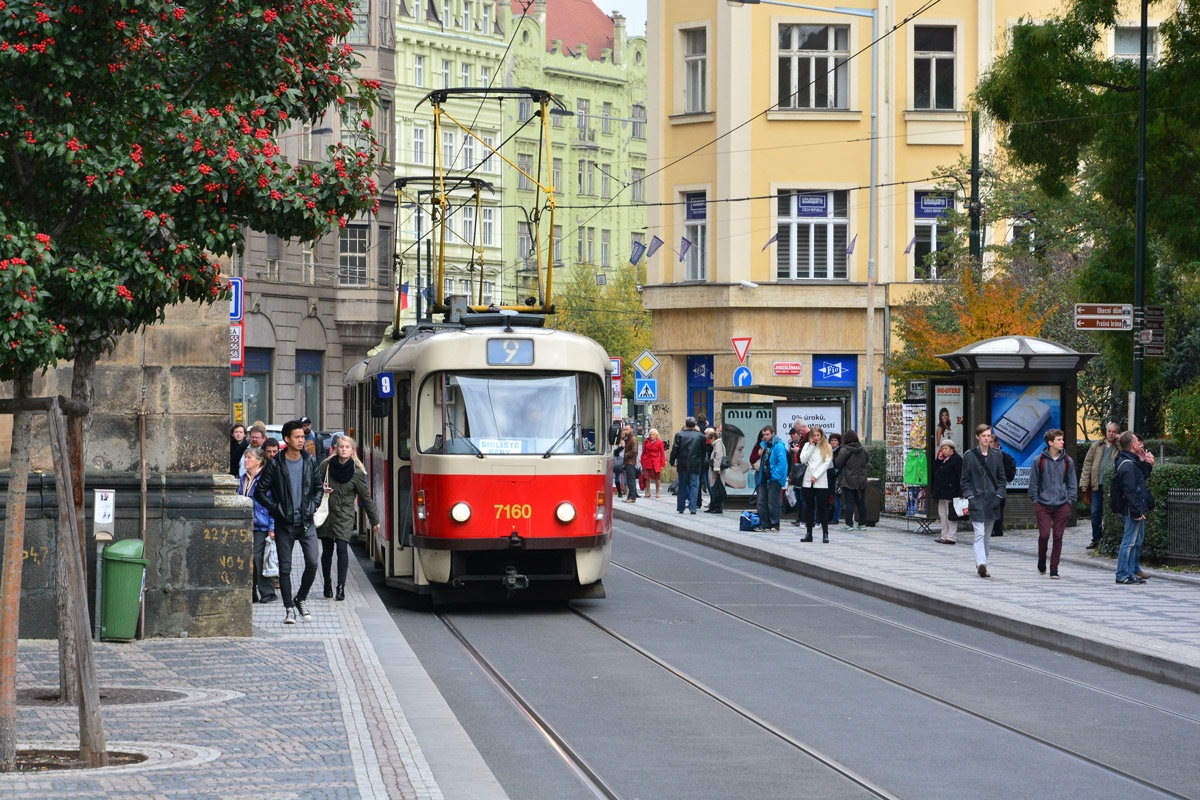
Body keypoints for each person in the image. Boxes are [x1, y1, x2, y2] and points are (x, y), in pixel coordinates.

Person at [255, 420, 323, 624]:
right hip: (285, 524)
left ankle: (300, 598)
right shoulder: (276, 464)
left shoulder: (310, 461)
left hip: (306, 523)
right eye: (298, 437)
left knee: (312, 562)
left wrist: (312, 507)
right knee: (285, 568)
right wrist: (277, 509)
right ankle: (289, 608)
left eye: (303, 437)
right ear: (287, 439)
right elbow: (259, 491)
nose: (302, 440)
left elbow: (318, 488)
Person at [317, 436, 379, 601]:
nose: (344, 449)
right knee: (327, 551)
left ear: (352, 451)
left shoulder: (357, 472)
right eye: (341, 447)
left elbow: (366, 498)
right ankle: (327, 583)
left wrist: (374, 521)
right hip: (327, 514)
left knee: (342, 550)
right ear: (336, 449)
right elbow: (313, 486)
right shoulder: (326, 466)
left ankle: (340, 587)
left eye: (347, 447)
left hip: (345, 515)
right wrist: (320, 489)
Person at [1028, 429, 1077, 579]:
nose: (1062, 442)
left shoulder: (1068, 461)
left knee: (1058, 537)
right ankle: (1042, 558)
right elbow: (1034, 483)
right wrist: (1036, 500)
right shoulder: (1039, 460)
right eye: (1059, 440)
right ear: (1050, 442)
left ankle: (1054, 569)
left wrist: (1070, 500)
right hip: (1043, 504)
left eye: (1062, 439)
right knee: (1044, 535)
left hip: (1062, 504)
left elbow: (1072, 482)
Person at [960, 424, 1006, 578]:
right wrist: (970, 496)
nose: (987, 438)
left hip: (992, 500)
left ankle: (983, 561)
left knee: (987, 536)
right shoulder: (970, 456)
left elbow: (1002, 478)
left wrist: (999, 495)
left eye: (989, 435)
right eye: (984, 435)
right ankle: (981, 563)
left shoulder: (997, 455)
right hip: (977, 500)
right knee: (979, 533)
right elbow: (964, 480)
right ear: (977, 437)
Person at [238, 446, 276, 604]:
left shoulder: (266, 478)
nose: (246, 461)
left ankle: (267, 592)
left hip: (261, 523)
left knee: (258, 557)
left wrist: (272, 527)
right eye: (245, 458)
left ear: (259, 461)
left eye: (249, 458)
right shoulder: (242, 478)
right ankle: (251, 592)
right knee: (248, 557)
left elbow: (273, 503)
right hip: (245, 523)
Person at [1113, 431, 1149, 585]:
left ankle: (1129, 573)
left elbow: (1139, 480)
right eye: (1137, 442)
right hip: (1130, 508)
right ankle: (1122, 574)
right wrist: (1136, 511)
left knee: (1133, 541)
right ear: (1134, 445)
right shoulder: (1127, 465)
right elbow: (1130, 490)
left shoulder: (1129, 461)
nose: (1140, 444)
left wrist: (1143, 462)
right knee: (1129, 541)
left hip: (1132, 507)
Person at [1081, 423, 1120, 550]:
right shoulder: (1096, 445)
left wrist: (1119, 442)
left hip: (1112, 486)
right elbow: (1088, 464)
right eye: (1109, 431)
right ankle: (1096, 539)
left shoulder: (1119, 446)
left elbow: (1125, 453)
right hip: (1097, 485)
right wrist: (1084, 483)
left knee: (1111, 513)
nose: (1111, 433)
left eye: (1114, 431)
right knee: (1095, 513)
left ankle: (1110, 539)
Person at [798, 426, 834, 542]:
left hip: (820, 480)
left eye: (818, 435)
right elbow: (803, 459)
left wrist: (816, 475)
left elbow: (826, 463)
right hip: (808, 480)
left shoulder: (827, 447)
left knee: (822, 507)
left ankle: (825, 533)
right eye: (814, 436)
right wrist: (811, 446)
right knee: (809, 507)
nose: (816, 438)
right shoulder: (807, 446)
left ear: (822, 436)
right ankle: (809, 533)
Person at [753, 425, 788, 531]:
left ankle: (774, 524)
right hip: (764, 476)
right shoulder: (764, 445)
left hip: (773, 478)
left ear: (773, 433)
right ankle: (764, 524)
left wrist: (773, 476)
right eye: (763, 435)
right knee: (761, 501)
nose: (765, 437)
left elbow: (782, 464)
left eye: (767, 434)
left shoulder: (779, 446)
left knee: (773, 502)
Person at [669, 417, 705, 514]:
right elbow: (703, 452)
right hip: (695, 464)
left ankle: (681, 507)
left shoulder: (680, 435)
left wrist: (672, 461)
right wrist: (701, 463)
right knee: (694, 486)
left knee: (682, 486)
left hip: (683, 463)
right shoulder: (701, 436)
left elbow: (675, 449)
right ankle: (693, 507)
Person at [834, 430, 869, 531]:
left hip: (848, 479)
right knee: (861, 502)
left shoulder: (845, 450)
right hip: (861, 479)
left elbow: (838, 462)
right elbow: (866, 461)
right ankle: (862, 524)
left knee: (849, 502)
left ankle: (849, 524)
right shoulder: (863, 449)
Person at [930, 438, 962, 544]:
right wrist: (938, 460)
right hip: (941, 492)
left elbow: (960, 476)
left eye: (946, 448)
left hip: (951, 492)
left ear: (952, 449)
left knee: (951, 515)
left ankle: (951, 536)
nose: (944, 450)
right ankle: (944, 535)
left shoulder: (957, 460)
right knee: (942, 515)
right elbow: (934, 471)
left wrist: (960, 492)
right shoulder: (942, 460)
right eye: (942, 448)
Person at [989, 436, 1017, 537]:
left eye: (991, 442)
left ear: (996, 443)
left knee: (998, 508)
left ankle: (996, 530)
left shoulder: (1004, 456)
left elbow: (1008, 474)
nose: (989, 444)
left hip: (998, 487)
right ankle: (991, 529)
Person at [720, 425, 753, 491]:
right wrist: (736, 468)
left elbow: (746, 465)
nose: (742, 455)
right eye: (739, 449)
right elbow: (740, 482)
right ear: (728, 448)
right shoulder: (721, 467)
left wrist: (735, 469)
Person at [706, 425, 727, 514]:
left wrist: (717, 468)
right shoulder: (717, 444)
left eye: (710, 439)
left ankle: (717, 507)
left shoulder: (718, 445)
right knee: (714, 489)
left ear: (713, 438)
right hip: (715, 470)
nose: (710, 442)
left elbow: (718, 456)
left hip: (716, 471)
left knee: (716, 489)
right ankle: (713, 506)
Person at [640, 428, 666, 498]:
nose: (652, 436)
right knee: (647, 477)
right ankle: (648, 492)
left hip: (655, 462)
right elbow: (643, 451)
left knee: (657, 478)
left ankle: (657, 492)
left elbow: (662, 453)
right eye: (651, 434)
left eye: (653, 435)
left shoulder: (660, 442)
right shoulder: (646, 441)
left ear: (656, 435)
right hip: (647, 461)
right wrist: (642, 460)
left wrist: (662, 463)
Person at [621, 424, 640, 503]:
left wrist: (627, 455)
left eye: (627, 429)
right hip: (628, 462)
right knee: (629, 480)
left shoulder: (633, 439)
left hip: (630, 462)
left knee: (631, 480)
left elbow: (635, 451)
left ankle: (632, 497)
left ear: (632, 430)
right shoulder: (629, 438)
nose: (625, 431)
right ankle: (630, 496)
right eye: (625, 429)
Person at [828, 433, 843, 524]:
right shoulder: (829, 451)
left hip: (837, 477)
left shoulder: (840, 451)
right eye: (832, 440)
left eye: (835, 441)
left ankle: (836, 517)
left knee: (837, 498)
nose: (833, 442)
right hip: (830, 477)